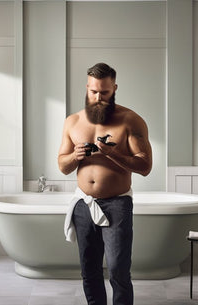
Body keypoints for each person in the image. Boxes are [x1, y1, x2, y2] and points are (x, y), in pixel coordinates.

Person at [58, 63, 153, 305]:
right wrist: (75, 156)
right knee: (89, 271)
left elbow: (145, 166)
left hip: (117, 204)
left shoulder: (131, 121)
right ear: (87, 88)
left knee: (119, 270)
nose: (98, 98)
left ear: (114, 89)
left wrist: (113, 153)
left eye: (105, 92)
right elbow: (62, 165)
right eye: (93, 92)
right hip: (84, 203)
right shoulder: (73, 121)